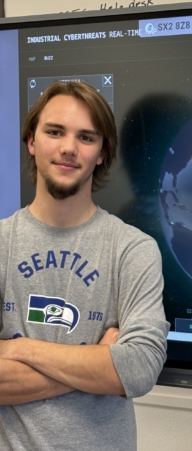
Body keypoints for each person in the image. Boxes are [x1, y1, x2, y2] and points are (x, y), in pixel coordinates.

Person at [0, 81, 169, 451]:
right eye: (54, 131)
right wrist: (99, 362)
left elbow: (138, 369)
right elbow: (120, 368)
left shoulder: (133, 250)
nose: (68, 148)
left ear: (102, 154)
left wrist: (20, 349)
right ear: (31, 141)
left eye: (86, 137)